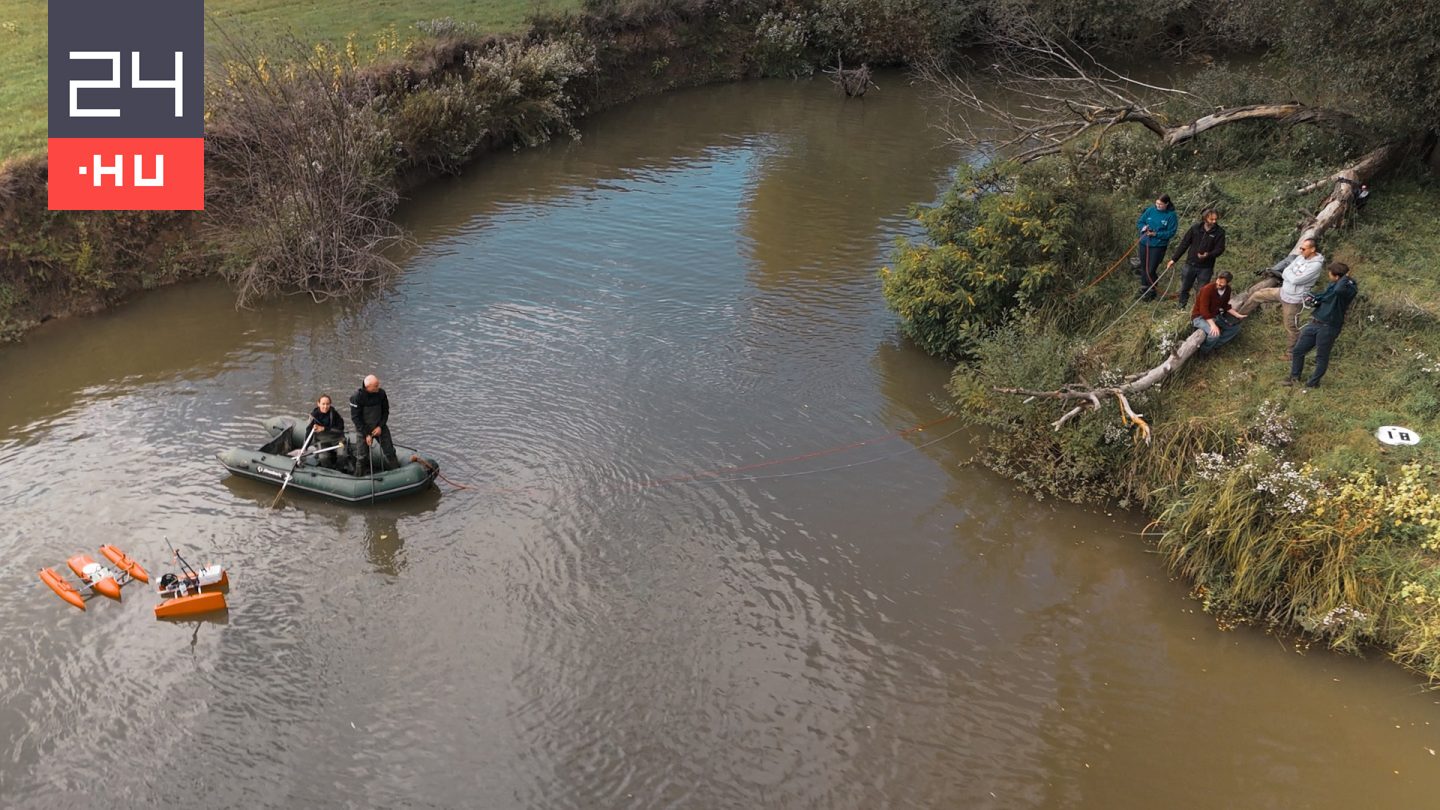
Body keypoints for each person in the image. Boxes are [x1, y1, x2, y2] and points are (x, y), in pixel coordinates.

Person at [1237, 239, 1325, 360]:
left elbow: (1296, 280)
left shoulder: (1316, 265)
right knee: (1257, 295)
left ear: (1313, 249)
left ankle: (1291, 353)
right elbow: (1287, 270)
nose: (1301, 250)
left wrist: (1289, 276)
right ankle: (1238, 316)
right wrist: (1289, 275)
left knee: (1291, 326)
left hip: (1294, 300)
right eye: (1300, 248)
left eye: (1303, 249)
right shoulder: (1301, 258)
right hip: (1283, 292)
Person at [1286, 263, 1358, 388]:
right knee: (1298, 351)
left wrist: (1346, 277)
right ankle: (1294, 378)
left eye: (1330, 274)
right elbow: (1327, 297)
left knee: (1321, 357)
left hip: (1329, 327)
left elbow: (1338, 291)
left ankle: (1312, 384)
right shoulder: (1334, 285)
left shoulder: (1348, 288)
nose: (1328, 275)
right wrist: (1315, 300)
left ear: (1337, 277)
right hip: (1315, 322)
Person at [1166, 208, 1227, 309]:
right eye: (1212, 219)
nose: (1214, 222)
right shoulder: (1195, 228)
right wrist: (1174, 259)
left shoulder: (1220, 232)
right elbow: (1184, 244)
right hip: (1190, 264)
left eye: (1216, 219)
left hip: (1206, 268)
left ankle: (1197, 311)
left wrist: (1208, 255)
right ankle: (1181, 307)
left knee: (1202, 291)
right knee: (1184, 288)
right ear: (1205, 218)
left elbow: (1220, 249)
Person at [350, 374, 400, 474]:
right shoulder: (356, 397)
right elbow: (356, 418)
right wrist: (367, 434)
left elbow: (385, 412)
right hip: (363, 429)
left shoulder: (381, 394)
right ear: (368, 387)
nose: (378, 387)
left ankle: (398, 472)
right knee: (362, 457)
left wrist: (380, 426)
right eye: (376, 385)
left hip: (379, 427)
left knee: (390, 452)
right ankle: (359, 476)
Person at [1135, 193, 1179, 301]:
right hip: (1144, 243)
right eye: (1157, 203)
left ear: (1167, 204)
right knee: (1144, 267)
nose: (1158, 206)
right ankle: (1144, 288)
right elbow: (1140, 222)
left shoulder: (1171, 215)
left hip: (1158, 246)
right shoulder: (1150, 210)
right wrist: (1144, 228)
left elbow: (1171, 232)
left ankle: (1152, 290)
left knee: (1151, 269)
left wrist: (1156, 234)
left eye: (1161, 204)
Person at [1191, 270, 1247, 352]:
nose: (1218, 283)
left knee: (1235, 328)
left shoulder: (1227, 290)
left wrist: (1237, 315)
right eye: (1217, 280)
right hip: (1199, 317)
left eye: (1222, 283)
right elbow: (1204, 311)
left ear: (1227, 283)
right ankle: (1203, 351)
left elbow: (1225, 306)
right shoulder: (1207, 289)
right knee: (1214, 334)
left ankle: (1215, 346)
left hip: (1215, 316)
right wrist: (1213, 325)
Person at [306, 394, 346, 470]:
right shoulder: (313, 417)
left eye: (327, 404)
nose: (325, 406)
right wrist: (305, 447)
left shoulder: (334, 414)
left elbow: (340, 428)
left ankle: (340, 470)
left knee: (342, 455)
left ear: (330, 404)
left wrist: (324, 428)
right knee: (323, 457)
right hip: (323, 441)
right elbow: (308, 432)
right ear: (318, 404)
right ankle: (329, 470)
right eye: (323, 404)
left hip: (337, 439)